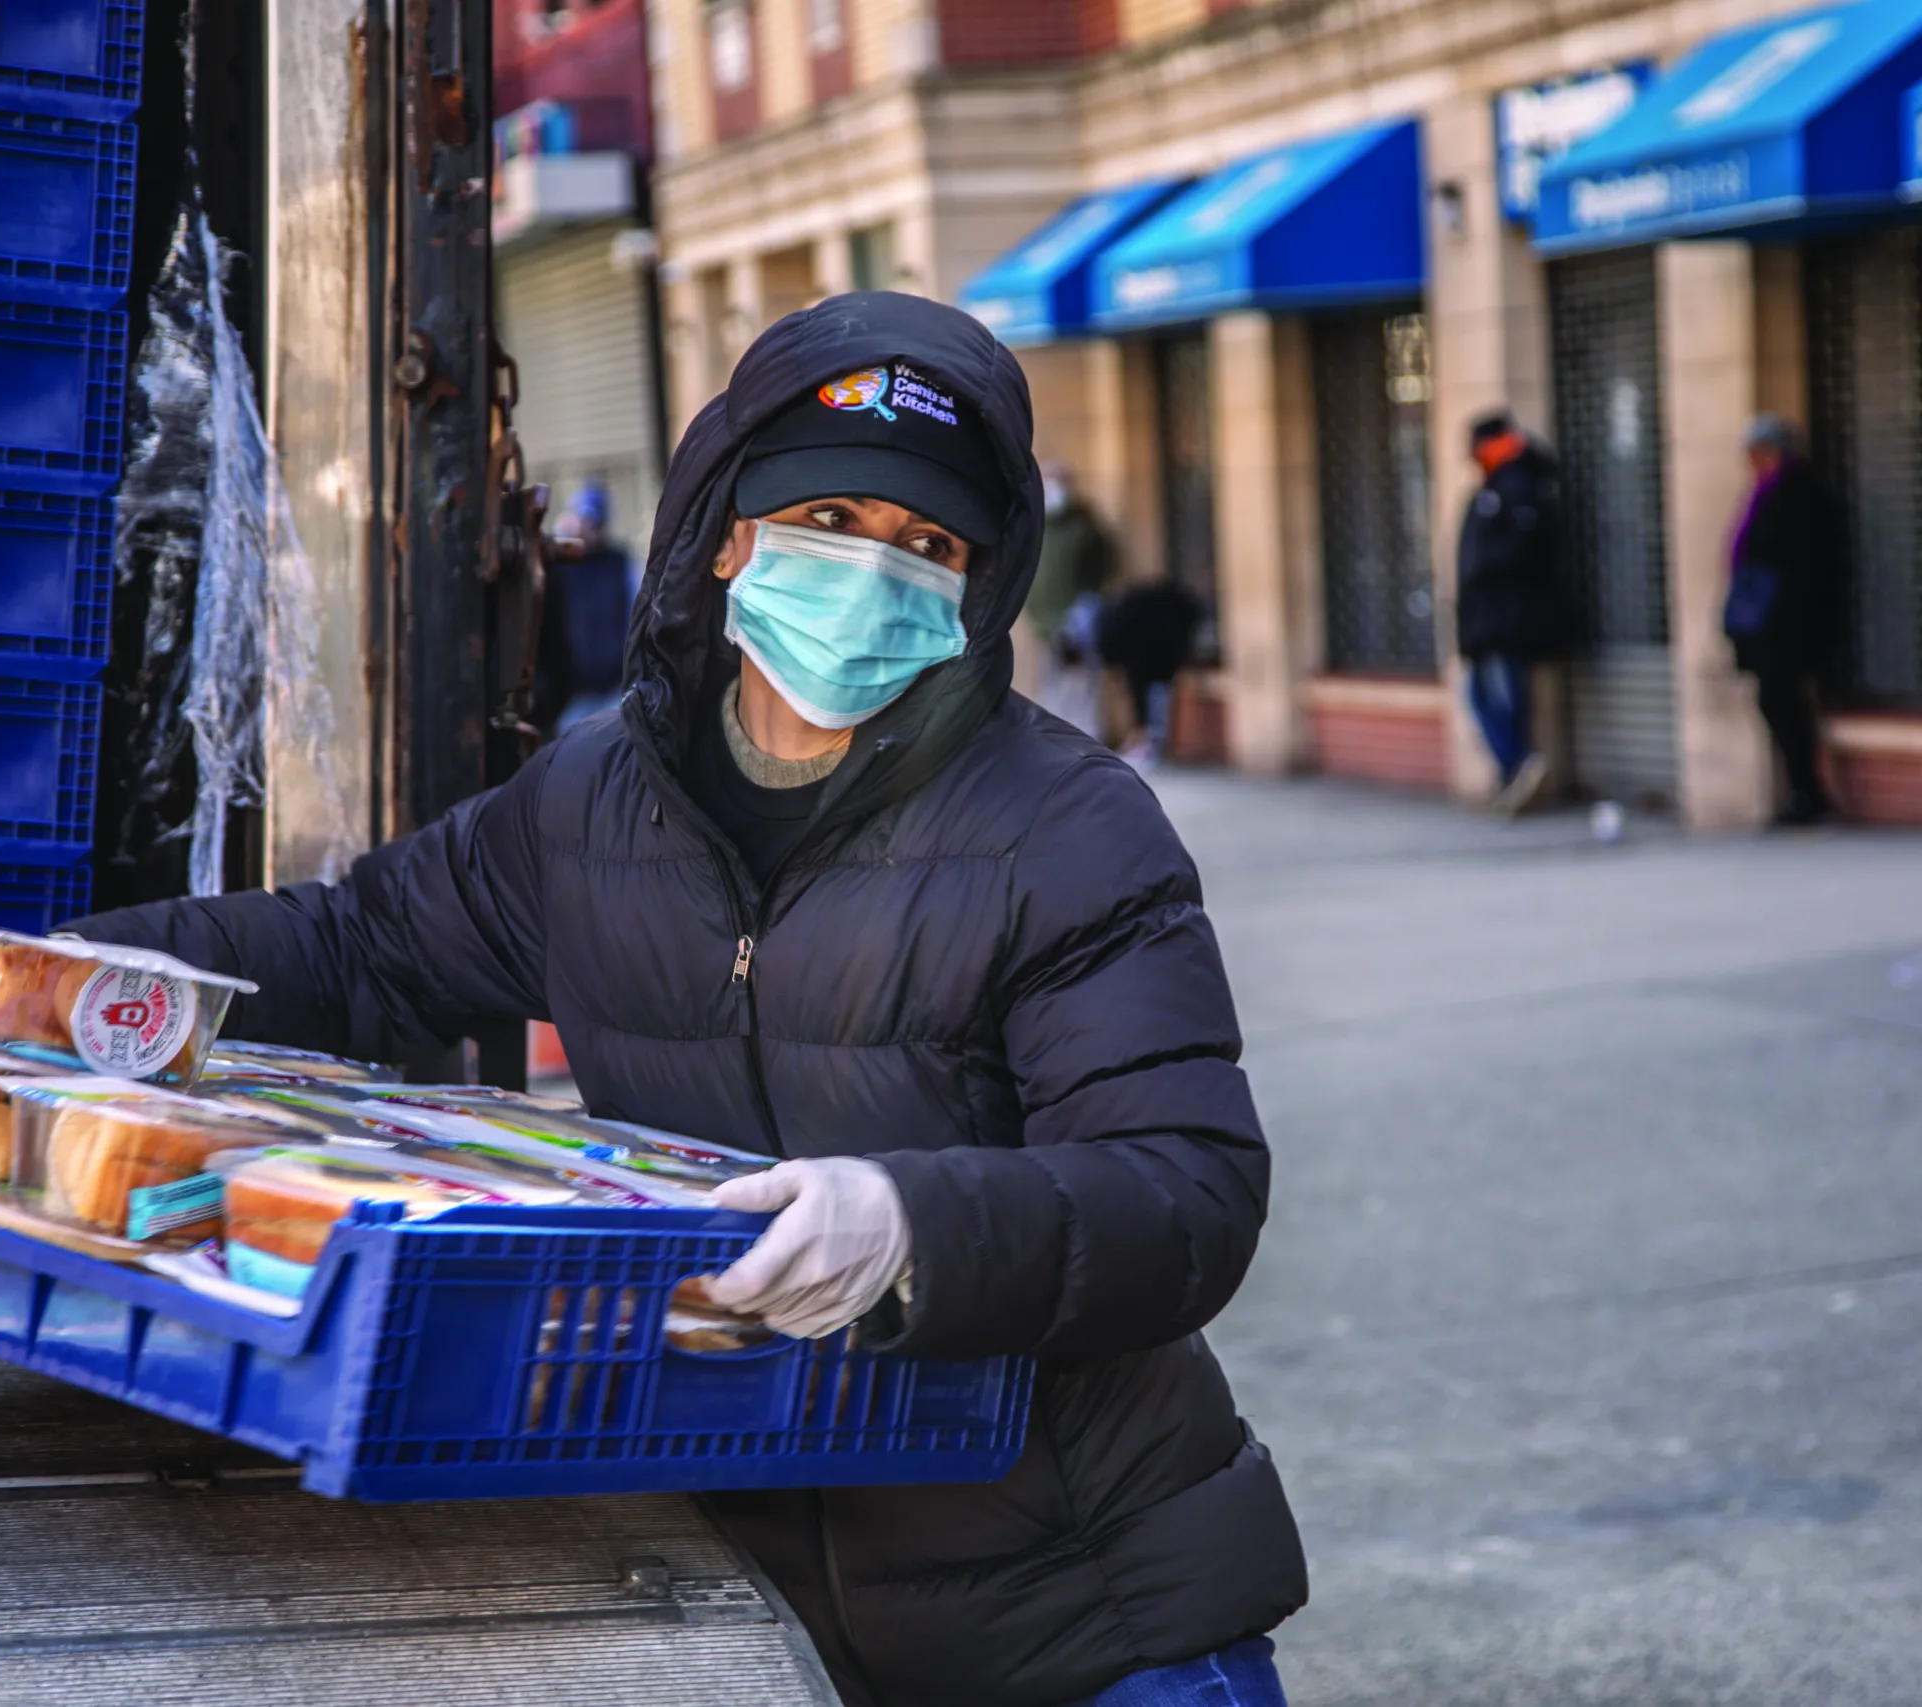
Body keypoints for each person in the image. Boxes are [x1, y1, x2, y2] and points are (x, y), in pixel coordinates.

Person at [68, 293, 1307, 1707]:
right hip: (750, 1596)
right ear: (730, 536)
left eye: (926, 547)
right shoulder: (593, 802)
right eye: (831, 520)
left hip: (1080, 1604)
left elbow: (1185, 1187)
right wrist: (121, 963)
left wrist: (916, 1225)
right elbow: (360, 947)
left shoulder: (1071, 826)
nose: (869, 572)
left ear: (975, 589)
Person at [1723, 414, 1844, 828]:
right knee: (1777, 703)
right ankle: (1802, 791)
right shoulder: (1769, 492)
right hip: (1771, 624)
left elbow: (1799, 565)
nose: (1752, 461)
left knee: (1784, 704)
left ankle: (1807, 793)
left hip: (1787, 624)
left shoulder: (1796, 494)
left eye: (1757, 452)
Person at [1453, 409, 1570, 816]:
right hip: (1488, 619)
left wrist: (1487, 571)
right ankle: (1513, 771)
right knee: (1480, 695)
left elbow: (1522, 553)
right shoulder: (1496, 487)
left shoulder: (1517, 487)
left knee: (1502, 695)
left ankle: (1520, 766)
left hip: (1506, 619)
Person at [530, 481, 640, 732]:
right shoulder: (560, 567)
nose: (588, 528)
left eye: (594, 522)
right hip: (573, 694)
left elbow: (633, 617)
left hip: (613, 688)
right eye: (584, 519)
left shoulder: (619, 563)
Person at [1021, 459, 1112, 736]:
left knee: (1081, 684)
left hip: (1077, 621)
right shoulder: (1035, 526)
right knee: (1051, 684)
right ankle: (1055, 739)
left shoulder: (1083, 527)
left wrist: (1085, 610)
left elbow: (1101, 569)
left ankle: (1087, 740)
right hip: (1043, 623)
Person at [1098, 573, 1205, 769]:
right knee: (1160, 704)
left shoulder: (1126, 613)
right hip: (1162, 661)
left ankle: (1150, 746)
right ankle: (1156, 747)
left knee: (1150, 705)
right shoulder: (1148, 608)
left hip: (1147, 662)